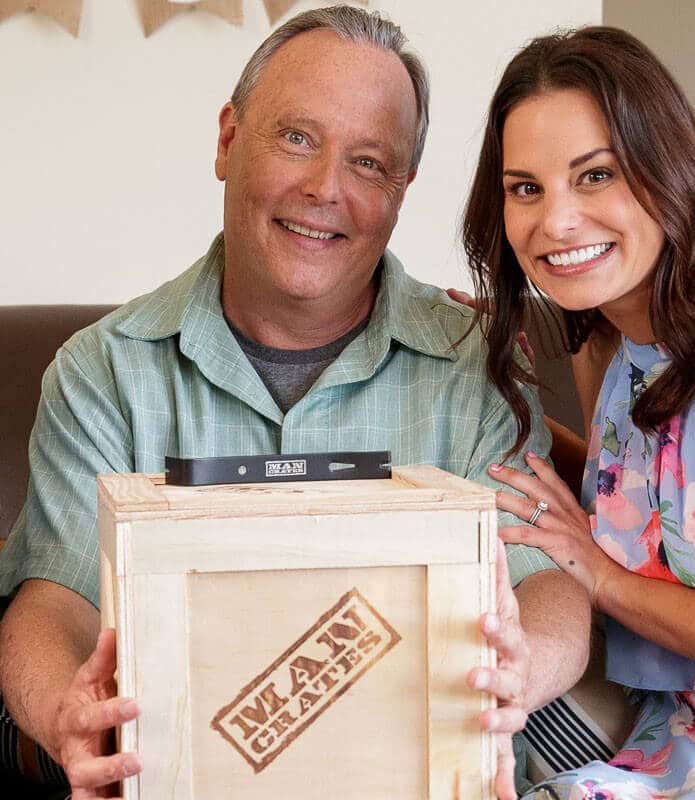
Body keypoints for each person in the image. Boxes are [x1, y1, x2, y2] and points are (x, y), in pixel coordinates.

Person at [0, 7, 591, 798]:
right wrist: (66, 712)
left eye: (370, 162)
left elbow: (546, 582)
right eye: (298, 138)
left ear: (401, 190)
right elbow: (54, 601)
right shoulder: (102, 370)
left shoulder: (470, 363)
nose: (325, 190)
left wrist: (529, 664)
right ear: (227, 139)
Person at [462, 24, 695, 799]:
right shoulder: (605, 334)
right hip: (665, 735)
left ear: (668, 162)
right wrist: (472, 395)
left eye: (595, 175)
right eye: (526, 188)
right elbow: (650, 498)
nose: (557, 222)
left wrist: (605, 582)